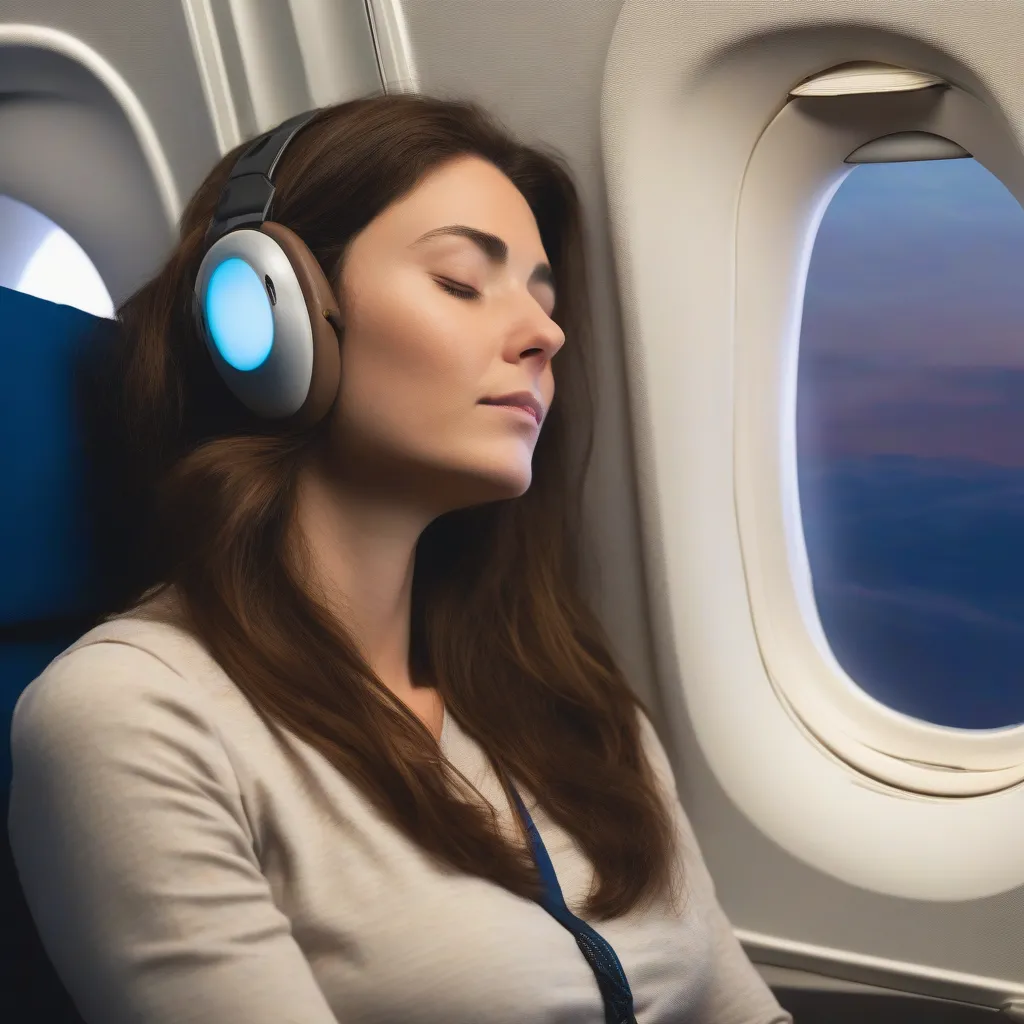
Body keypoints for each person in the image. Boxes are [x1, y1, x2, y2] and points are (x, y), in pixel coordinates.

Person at [8, 94, 792, 1024]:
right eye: (462, 282)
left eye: (544, 301)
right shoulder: (134, 717)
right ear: (265, 313)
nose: (549, 335)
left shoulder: (564, 697)